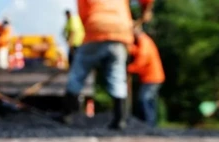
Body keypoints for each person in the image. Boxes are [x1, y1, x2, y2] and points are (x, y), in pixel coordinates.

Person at [59, 0, 155, 130]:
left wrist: (92, 28)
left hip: (96, 27)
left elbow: (83, 14)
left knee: (77, 73)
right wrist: (146, 11)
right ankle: (120, 119)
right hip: (121, 30)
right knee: (117, 75)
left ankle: (68, 115)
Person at [127, 27, 165, 127]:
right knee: (150, 101)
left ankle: (149, 124)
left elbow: (142, 59)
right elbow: (139, 52)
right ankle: (151, 123)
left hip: (152, 78)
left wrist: (130, 69)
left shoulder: (144, 41)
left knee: (144, 99)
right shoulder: (144, 41)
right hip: (152, 77)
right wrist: (131, 49)